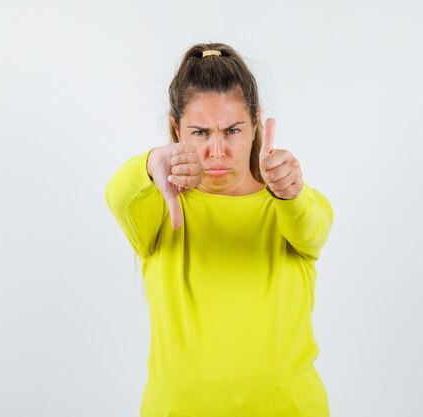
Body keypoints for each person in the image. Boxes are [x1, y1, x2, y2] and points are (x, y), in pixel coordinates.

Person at [105, 42, 333, 417]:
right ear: (177, 129)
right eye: (199, 133)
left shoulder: (293, 208)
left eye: (232, 130)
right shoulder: (158, 207)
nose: (217, 151)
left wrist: (293, 192)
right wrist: (151, 162)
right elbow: (117, 195)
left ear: (256, 123)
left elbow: (314, 228)